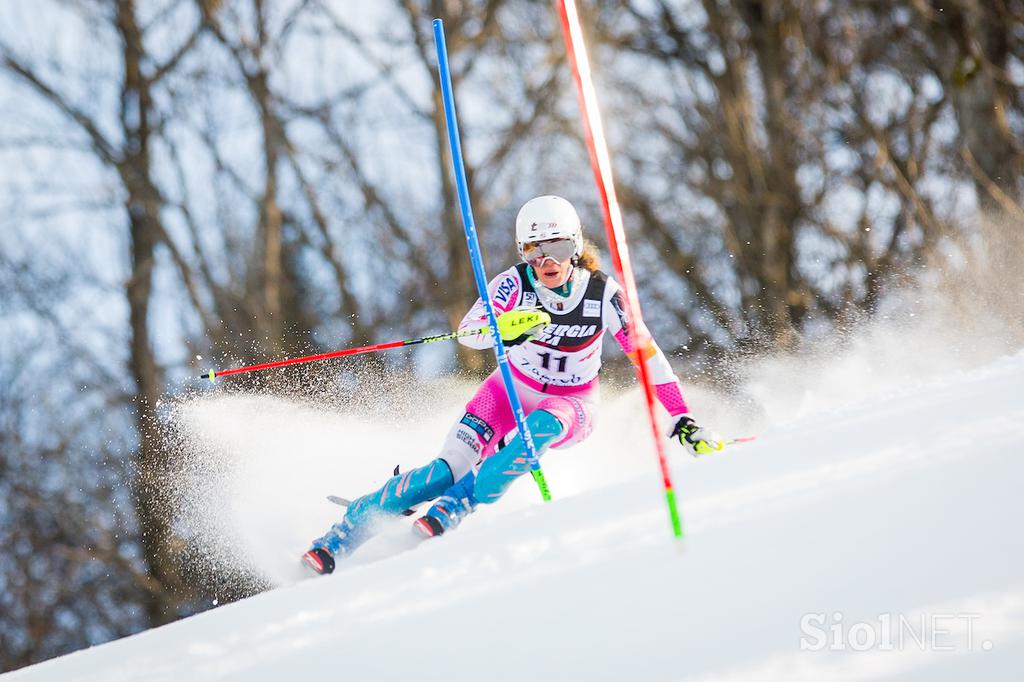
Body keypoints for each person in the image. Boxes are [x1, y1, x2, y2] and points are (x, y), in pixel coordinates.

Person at [302, 195, 722, 575]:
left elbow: (647, 357)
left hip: (570, 404)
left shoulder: (602, 293)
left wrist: (680, 416)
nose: (547, 261)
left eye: (557, 247)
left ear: (575, 245)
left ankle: (455, 508)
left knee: (534, 434)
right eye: (533, 251)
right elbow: (469, 333)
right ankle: (342, 535)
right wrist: (505, 329)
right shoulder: (512, 283)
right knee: (440, 474)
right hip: (505, 393)